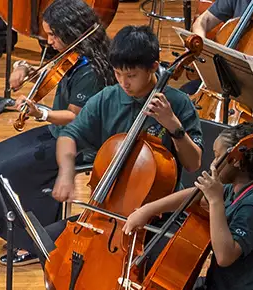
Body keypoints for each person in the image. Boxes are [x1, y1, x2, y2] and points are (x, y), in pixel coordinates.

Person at [43, 25, 205, 257]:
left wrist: (173, 125)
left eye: (131, 76)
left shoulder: (177, 104)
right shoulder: (107, 98)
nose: (123, 83)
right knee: (49, 245)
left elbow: (193, 163)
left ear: (153, 68)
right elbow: (69, 135)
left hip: (158, 214)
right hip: (109, 208)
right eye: (118, 74)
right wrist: (66, 171)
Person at [0, 0, 115, 266]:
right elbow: (48, 69)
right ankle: (14, 230)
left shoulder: (90, 70)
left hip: (81, 141)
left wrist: (40, 113)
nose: (49, 41)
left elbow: (76, 117)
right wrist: (23, 67)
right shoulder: (73, 52)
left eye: (53, 34)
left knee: (15, 169)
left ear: (71, 32)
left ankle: (33, 242)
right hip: (59, 131)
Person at [123, 122, 253, 290]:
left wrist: (215, 201)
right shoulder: (237, 188)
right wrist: (147, 210)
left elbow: (225, 256)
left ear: (236, 161)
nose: (213, 164)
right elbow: (195, 194)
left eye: (217, 156)